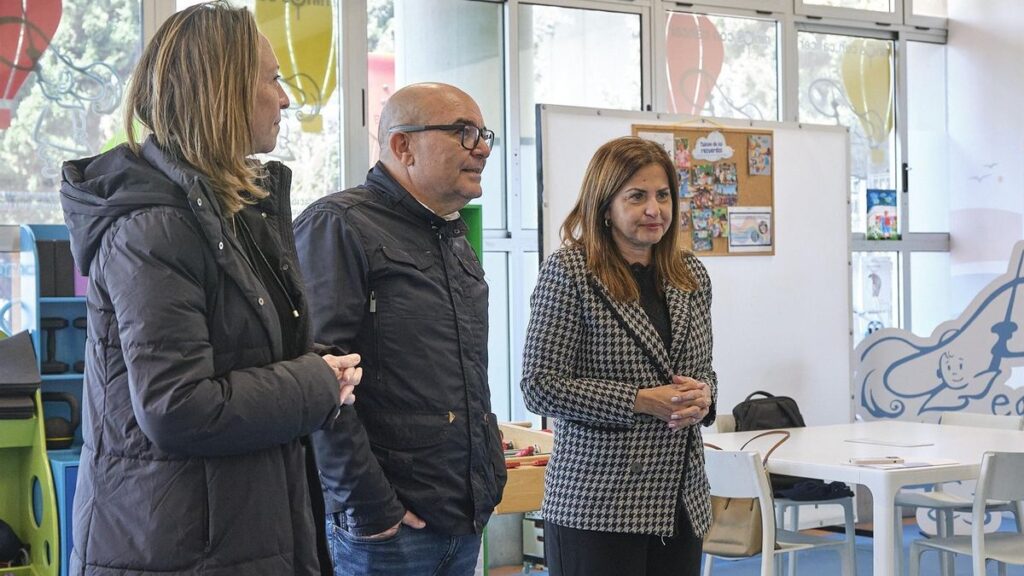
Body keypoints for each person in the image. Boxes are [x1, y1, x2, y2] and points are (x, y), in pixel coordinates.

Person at [58, 3, 360, 574]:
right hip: (177, 549)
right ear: (221, 91)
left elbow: (231, 356)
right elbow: (178, 405)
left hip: (233, 533)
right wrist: (312, 383)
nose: (287, 99)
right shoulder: (155, 227)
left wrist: (316, 369)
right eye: (272, 80)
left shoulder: (227, 213)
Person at [293, 82, 506, 576]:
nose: (482, 147)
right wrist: (368, 505)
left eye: (483, 133)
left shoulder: (451, 235)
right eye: (463, 132)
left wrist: (487, 475)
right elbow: (318, 378)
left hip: (462, 514)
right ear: (402, 145)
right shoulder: (339, 226)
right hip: (387, 530)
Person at [520, 136, 717, 576]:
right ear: (605, 206)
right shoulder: (570, 271)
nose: (654, 210)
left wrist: (705, 396)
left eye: (663, 196)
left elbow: (703, 372)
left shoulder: (691, 275)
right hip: (598, 503)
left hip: (680, 502)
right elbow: (539, 385)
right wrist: (639, 399)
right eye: (637, 197)